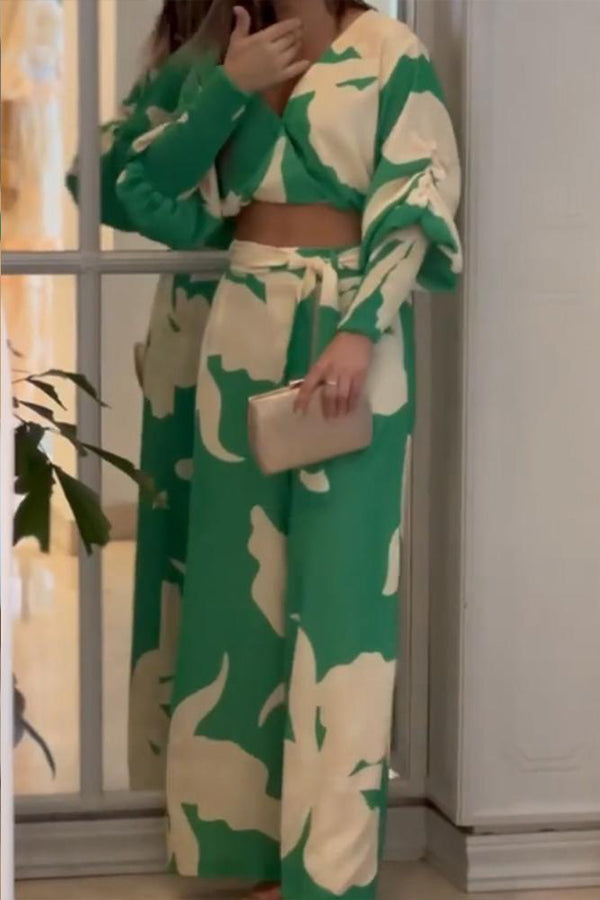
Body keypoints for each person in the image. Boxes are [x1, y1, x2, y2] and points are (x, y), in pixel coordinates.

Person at [115, 1, 463, 898]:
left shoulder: (390, 50)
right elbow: (142, 186)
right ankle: (240, 854)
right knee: (238, 593)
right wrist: (227, 90)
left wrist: (359, 329)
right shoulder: (225, 50)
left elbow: (417, 200)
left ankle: (328, 875)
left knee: (343, 601)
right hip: (242, 324)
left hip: (352, 336)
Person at [66, 2, 219, 790]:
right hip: (195, 330)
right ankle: (169, 786)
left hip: (288, 324)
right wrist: (198, 69)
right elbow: (94, 179)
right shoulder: (193, 62)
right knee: (179, 552)